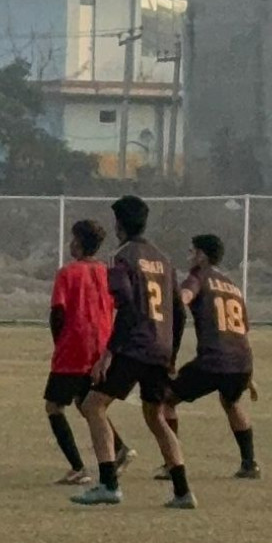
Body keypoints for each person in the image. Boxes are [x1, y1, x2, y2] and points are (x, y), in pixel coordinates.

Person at [71, 195, 196, 510]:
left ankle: (108, 484)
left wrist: (108, 354)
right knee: (155, 416)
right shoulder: (164, 259)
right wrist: (171, 355)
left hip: (135, 346)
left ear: (119, 224)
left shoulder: (121, 257)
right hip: (160, 348)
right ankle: (183, 492)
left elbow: (126, 307)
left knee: (92, 405)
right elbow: (180, 313)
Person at [157, 235, 259, 479]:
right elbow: (241, 330)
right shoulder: (232, 285)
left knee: (165, 399)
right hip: (242, 362)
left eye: (191, 251)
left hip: (214, 361)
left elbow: (184, 298)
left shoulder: (198, 276)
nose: (189, 256)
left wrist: (169, 306)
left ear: (201, 255)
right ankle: (250, 463)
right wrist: (249, 376)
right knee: (231, 402)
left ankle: (172, 463)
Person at [45, 219, 134, 485]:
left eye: (73, 239)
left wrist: (59, 343)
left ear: (80, 243)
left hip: (74, 349)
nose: (70, 244)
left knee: (54, 406)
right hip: (101, 349)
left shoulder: (68, 273)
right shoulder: (107, 272)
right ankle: (120, 449)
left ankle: (78, 468)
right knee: (87, 403)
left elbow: (58, 313)